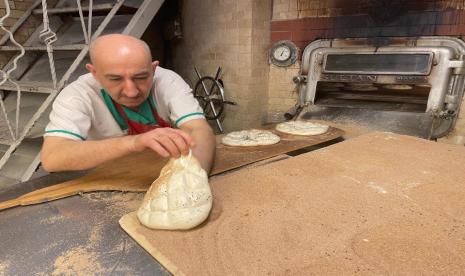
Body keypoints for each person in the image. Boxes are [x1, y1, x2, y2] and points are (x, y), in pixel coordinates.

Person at [40, 34, 215, 173]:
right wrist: (134, 143)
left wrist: (195, 176)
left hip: (158, 169)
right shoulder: (76, 95)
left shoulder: (168, 81)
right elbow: (52, 157)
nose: (131, 92)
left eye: (141, 77)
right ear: (94, 73)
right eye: (115, 79)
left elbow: (197, 129)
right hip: (106, 176)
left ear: (153, 69)